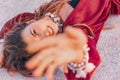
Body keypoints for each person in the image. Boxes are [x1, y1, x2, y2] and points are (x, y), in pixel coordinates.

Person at [0, 0, 120, 80]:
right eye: (44, 44)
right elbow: (84, 60)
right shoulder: (74, 32)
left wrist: (4, 52)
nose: (45, 35)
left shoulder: (29, 17)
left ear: (29, 23)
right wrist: (77, 58)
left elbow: (10, 26)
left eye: (35, 33)